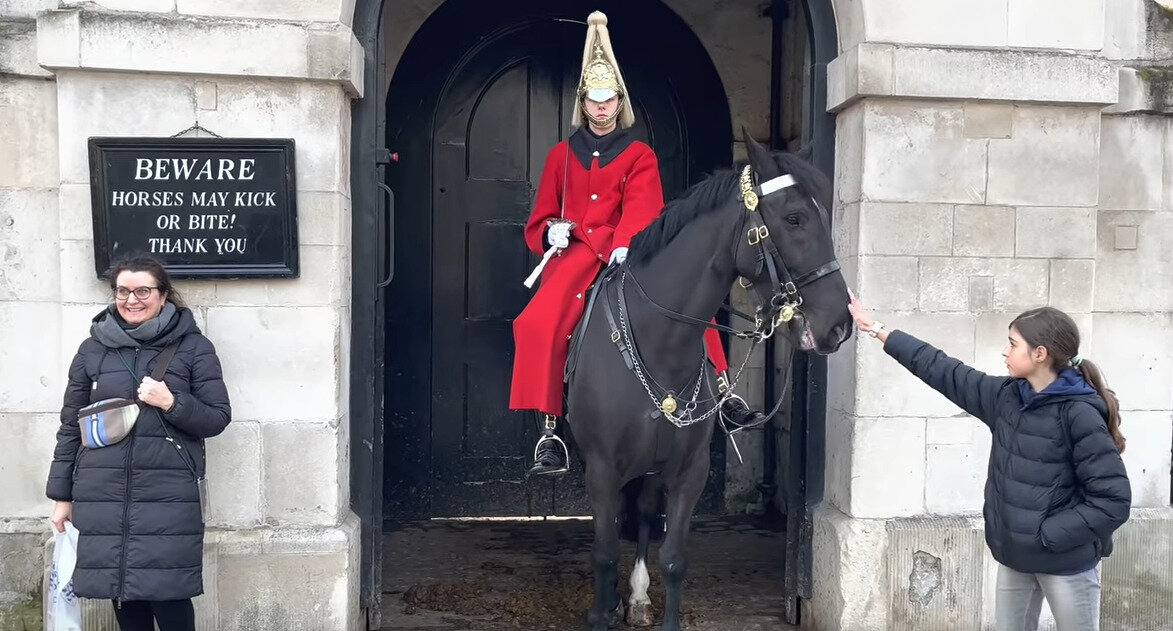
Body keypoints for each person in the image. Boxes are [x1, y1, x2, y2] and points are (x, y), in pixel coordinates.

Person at [510, 11, 762, 476]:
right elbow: (541, 215)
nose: (601, 109)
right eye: (593, 101)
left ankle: (724, 394)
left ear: (618, 102)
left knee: (692, 305)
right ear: (583, 103)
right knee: (537, 321)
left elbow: (644, 208)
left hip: (632, 249)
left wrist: (628, 243)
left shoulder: (638, 154)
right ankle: (550, 431)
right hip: (578, 253)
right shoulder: (560, 155)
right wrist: (551, 231)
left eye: (608, 102)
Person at [847, 294, 1130, 631]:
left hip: (1064, 560)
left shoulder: (1079, 414)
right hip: (1015, 555)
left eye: (1013, 344)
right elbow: (943, 369)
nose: (1005, 352)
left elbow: (1113, 501)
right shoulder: (1006, 397)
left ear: (1040, 354)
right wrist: (877, 329)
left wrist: (1047, 535)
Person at [47, 253, 231, 631]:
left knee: (169, 593)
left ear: (163, 296)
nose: (132, 300)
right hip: (102, 489)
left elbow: (217, 417)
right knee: (122, 591)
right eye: (123, 291)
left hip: (166, 491)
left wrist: (172, 402)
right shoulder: (92, 349)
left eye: (143, 291)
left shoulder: (194, 348)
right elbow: (70, 426)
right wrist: (62, 497)